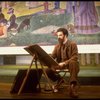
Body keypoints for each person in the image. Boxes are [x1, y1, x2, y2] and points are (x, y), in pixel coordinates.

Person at [46, 28, 79, 98]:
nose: (58, 37)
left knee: (73, 62)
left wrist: (64, 63)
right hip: (59, 65)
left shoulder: (73, 44)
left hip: (70, 64)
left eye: (60, 35)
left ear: (65, 35)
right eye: (57, 35)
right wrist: (44, 57)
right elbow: (52, 56)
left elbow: (75, 57)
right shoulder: (57, 46)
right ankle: (60, 79)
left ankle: (72, 86)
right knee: (47, 70)